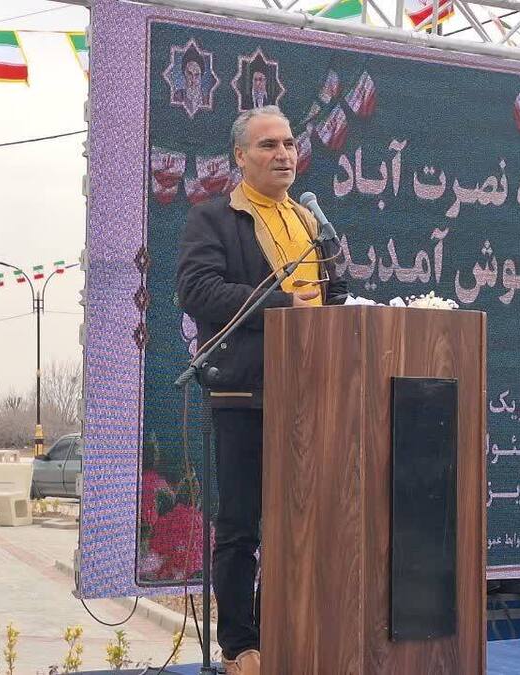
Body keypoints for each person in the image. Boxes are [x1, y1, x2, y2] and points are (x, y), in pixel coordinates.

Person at [176, 106, 348, 675]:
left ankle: (285, 631)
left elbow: (329, 295)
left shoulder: (310, 221)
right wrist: (281, 305)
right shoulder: (214, 220)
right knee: (241, 526)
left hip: (313, 390)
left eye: (289, 144)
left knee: (302, 522)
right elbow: (198, 291)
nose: (283, 154)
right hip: (245, 394)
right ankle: (240, 646)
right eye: (268, 145)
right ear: (240, 157)